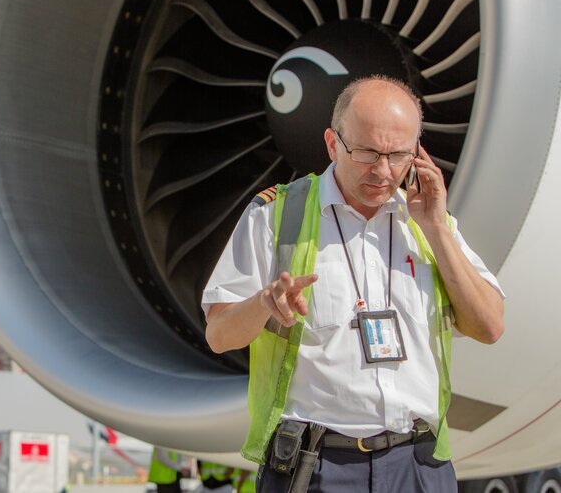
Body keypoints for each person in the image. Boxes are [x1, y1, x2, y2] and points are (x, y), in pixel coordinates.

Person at [201, 75, 504, 492]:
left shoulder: (429, 225)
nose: (383, 171)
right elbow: (218, 335)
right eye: (366, 152)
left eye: (399, 155)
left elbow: (489, 326)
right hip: (317, 466)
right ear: (332, 144)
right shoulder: (275, 218)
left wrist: (436, 227)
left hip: (417, 464)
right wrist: (262, 305)